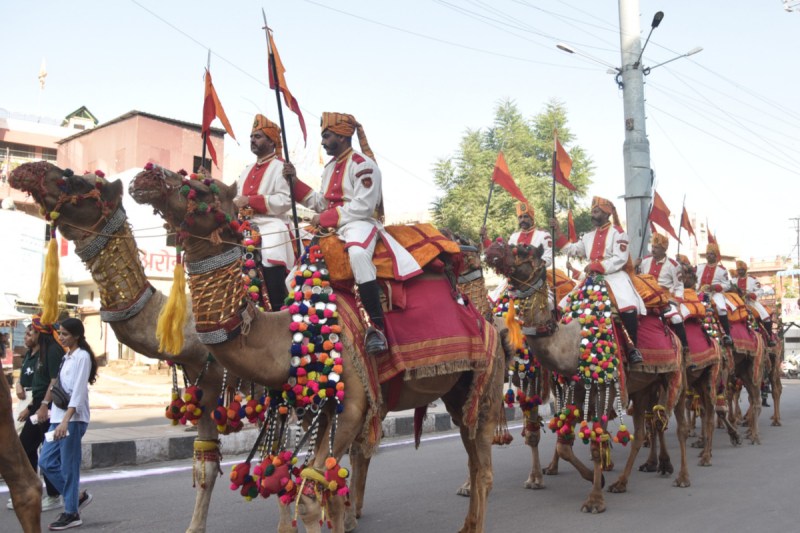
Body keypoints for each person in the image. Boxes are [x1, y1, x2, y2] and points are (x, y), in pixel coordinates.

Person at [284, 112, 422, 355]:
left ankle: (376, 328)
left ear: (342, 135)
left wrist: (326, 218)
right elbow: (320, 201)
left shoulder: (364, 165)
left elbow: (363, 206)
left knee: (358, 255)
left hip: (359, 223)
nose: (323, 142)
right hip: (333, 227)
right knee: (292, 277)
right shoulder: (329, 169)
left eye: (326, 136)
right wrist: (294, 182)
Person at [551, 196, 645, 365]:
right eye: (592, 211)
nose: (592, 215)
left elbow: (620, 259)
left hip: (614, 277)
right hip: (592, 279)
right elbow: (573, 250)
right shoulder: (587, 237)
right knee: (565, 304)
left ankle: (633, 348)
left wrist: (598, 266)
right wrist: (558, 233)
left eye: (596, 212)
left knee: (628, 307)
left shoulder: (619, 234)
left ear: (607, 213)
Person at [233, 114, 296, 310]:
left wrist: (251, 201)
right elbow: (234, 196)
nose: (252, 140)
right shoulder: (247, 169)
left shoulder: (281, 168)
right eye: (251, 136)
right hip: (244, 223)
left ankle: (277, 305)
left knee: (272, 244)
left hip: (271, 222)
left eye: (258, 136)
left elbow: (285, 200)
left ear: (271, 141)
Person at [39, 318, 97, 530]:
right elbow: (57, 385)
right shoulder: (67, 357)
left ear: (77, 336)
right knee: (45, 461)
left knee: (69, 466)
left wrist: (66, 420)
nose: (61, 337)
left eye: (65, 334)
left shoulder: (82, 357)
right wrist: (46, 406)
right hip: (58, 419)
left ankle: (71, 512)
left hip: (72, 420)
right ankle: (76, 497)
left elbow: (79, 392)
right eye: (60, 333)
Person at [8, 317, 65, 512]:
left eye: (31, 332)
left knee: (41, 449)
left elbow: (54, 381)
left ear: (41, 333)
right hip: (37, 405)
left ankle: (54, 494)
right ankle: (33, 490)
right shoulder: (40, 353)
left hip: (46, 407)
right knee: (28, 447)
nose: (26, 336)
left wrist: (43, 405)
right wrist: (33, 405)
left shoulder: (52, 351)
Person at [638, 232, 689, 354]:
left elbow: (679, 286)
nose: (653, 250)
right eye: (653, 247)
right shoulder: (644, 262)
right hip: (646, 296)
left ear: (664, 249)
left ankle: (685, 347)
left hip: (665, 298)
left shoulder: (673, 265)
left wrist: (677, 301)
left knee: (676, 318)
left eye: (657, 248)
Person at [695, 240, 733, 346]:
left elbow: (727, 285)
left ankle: (727, 335)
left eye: (711, 254)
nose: (708, 256)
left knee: (721, 309)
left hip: (716, 294)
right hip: (701, 293)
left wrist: (715, 287)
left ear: (716, 256)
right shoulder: (699, 267)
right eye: (707, 254)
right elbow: (695, 281)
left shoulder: (722, 270)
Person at [731, 260, 776, 347]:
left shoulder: (753, 279)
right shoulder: (733, 281)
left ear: (745, 270)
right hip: (737, 302)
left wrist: (751, 294)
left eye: (741, 270)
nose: (740, 271)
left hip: (751, 302)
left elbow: (760, 290)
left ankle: (769, 337)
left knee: (766, 317)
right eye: (738, 270)